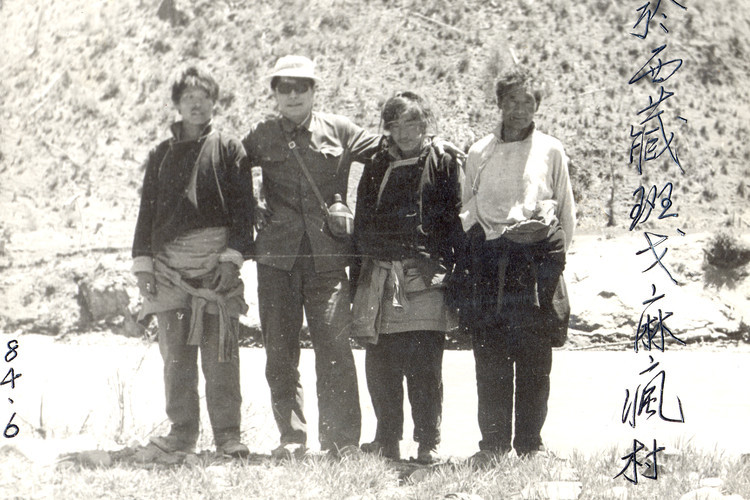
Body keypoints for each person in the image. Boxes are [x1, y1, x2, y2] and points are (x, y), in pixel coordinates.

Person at [241, 55, 384, 460]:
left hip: (327, 259)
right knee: (280, 353)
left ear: (314, 90)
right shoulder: (261, 134)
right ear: (274, 93)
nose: (292, 95)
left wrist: (434, 143)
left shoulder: (339, 129)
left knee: (335, 351)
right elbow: (227, 166)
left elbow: (390, 149)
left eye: (300, 87)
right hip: (277, 259)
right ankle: (292, 437)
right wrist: (249, 203)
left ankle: (341, 442)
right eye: (284, 87)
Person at [131, 66, 253, 458]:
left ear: (214, 102)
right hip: (168, 273)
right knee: (176, 361)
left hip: (216, 272)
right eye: (188, 98)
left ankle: (228, 437)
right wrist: (143, 266)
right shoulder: (160, 155)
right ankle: (181, 435)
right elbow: (146, 213)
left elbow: (244, 213)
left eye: (203, 98)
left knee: (221, 358)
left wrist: (231, 261)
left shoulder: (229, 148)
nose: (196, 105)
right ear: (177, 104)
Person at [457, 67, 575, 464]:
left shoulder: (551, 150)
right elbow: (467, 207)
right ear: (500, 103)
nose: (520, 109)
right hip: (491, 266)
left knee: (534, 360)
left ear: (537, 106)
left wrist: (551, 259)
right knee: (490, 359)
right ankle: (491, 447)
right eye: (512, 100)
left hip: (535, 267)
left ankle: (530, 446)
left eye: (528, 102)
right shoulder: (479, 151)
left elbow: (566, 210)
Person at [350, 92, 463, 464]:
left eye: (412, 122)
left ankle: (428, 443)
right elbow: (362, 224)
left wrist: (446, 268)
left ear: (426, 122)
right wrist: (359, 283)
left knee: (425, 367)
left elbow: (456, 221)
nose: (405, 132)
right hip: (382, 276)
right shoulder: (377, 164)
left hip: (424, 278)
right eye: (395, 124)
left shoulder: (444, 162)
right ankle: (387, 441)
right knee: (381, 365)